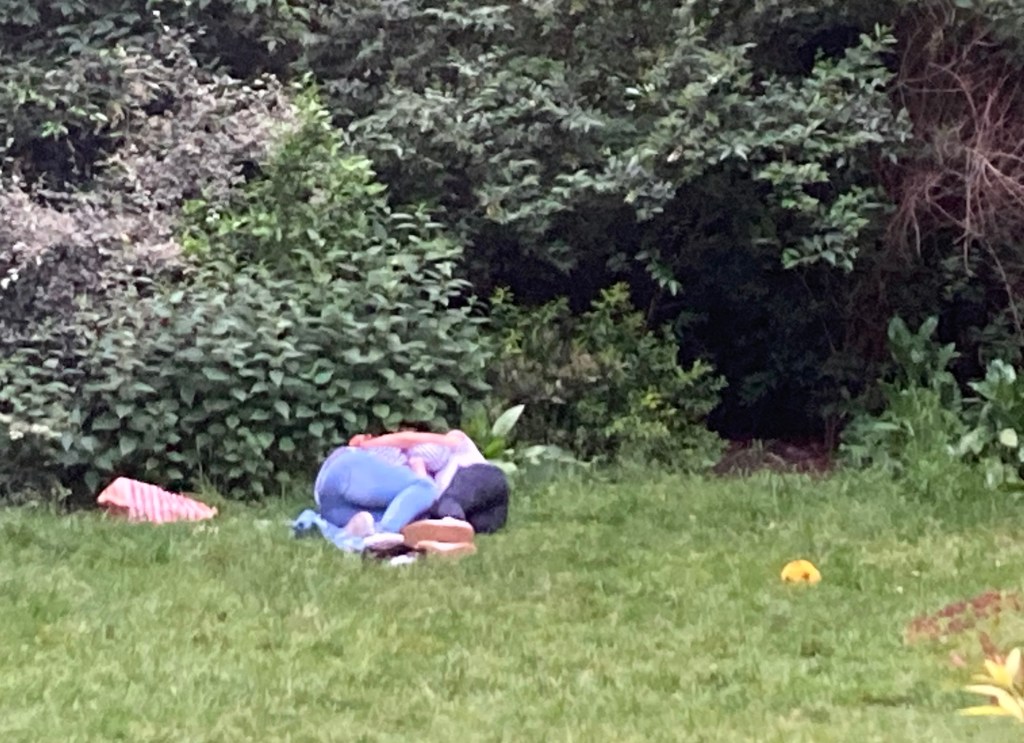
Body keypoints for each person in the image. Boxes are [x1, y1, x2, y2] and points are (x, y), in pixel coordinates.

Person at [352, 428, 510, 534]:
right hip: (479, 518)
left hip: (483, 480)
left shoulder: (455, 443)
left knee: (448, 503)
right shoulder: (412, 474)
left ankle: (451, 524)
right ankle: (452, 529)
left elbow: (409, 439)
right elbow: (425, 495)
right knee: (437, 511)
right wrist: (418, 469)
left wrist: (367, 444)